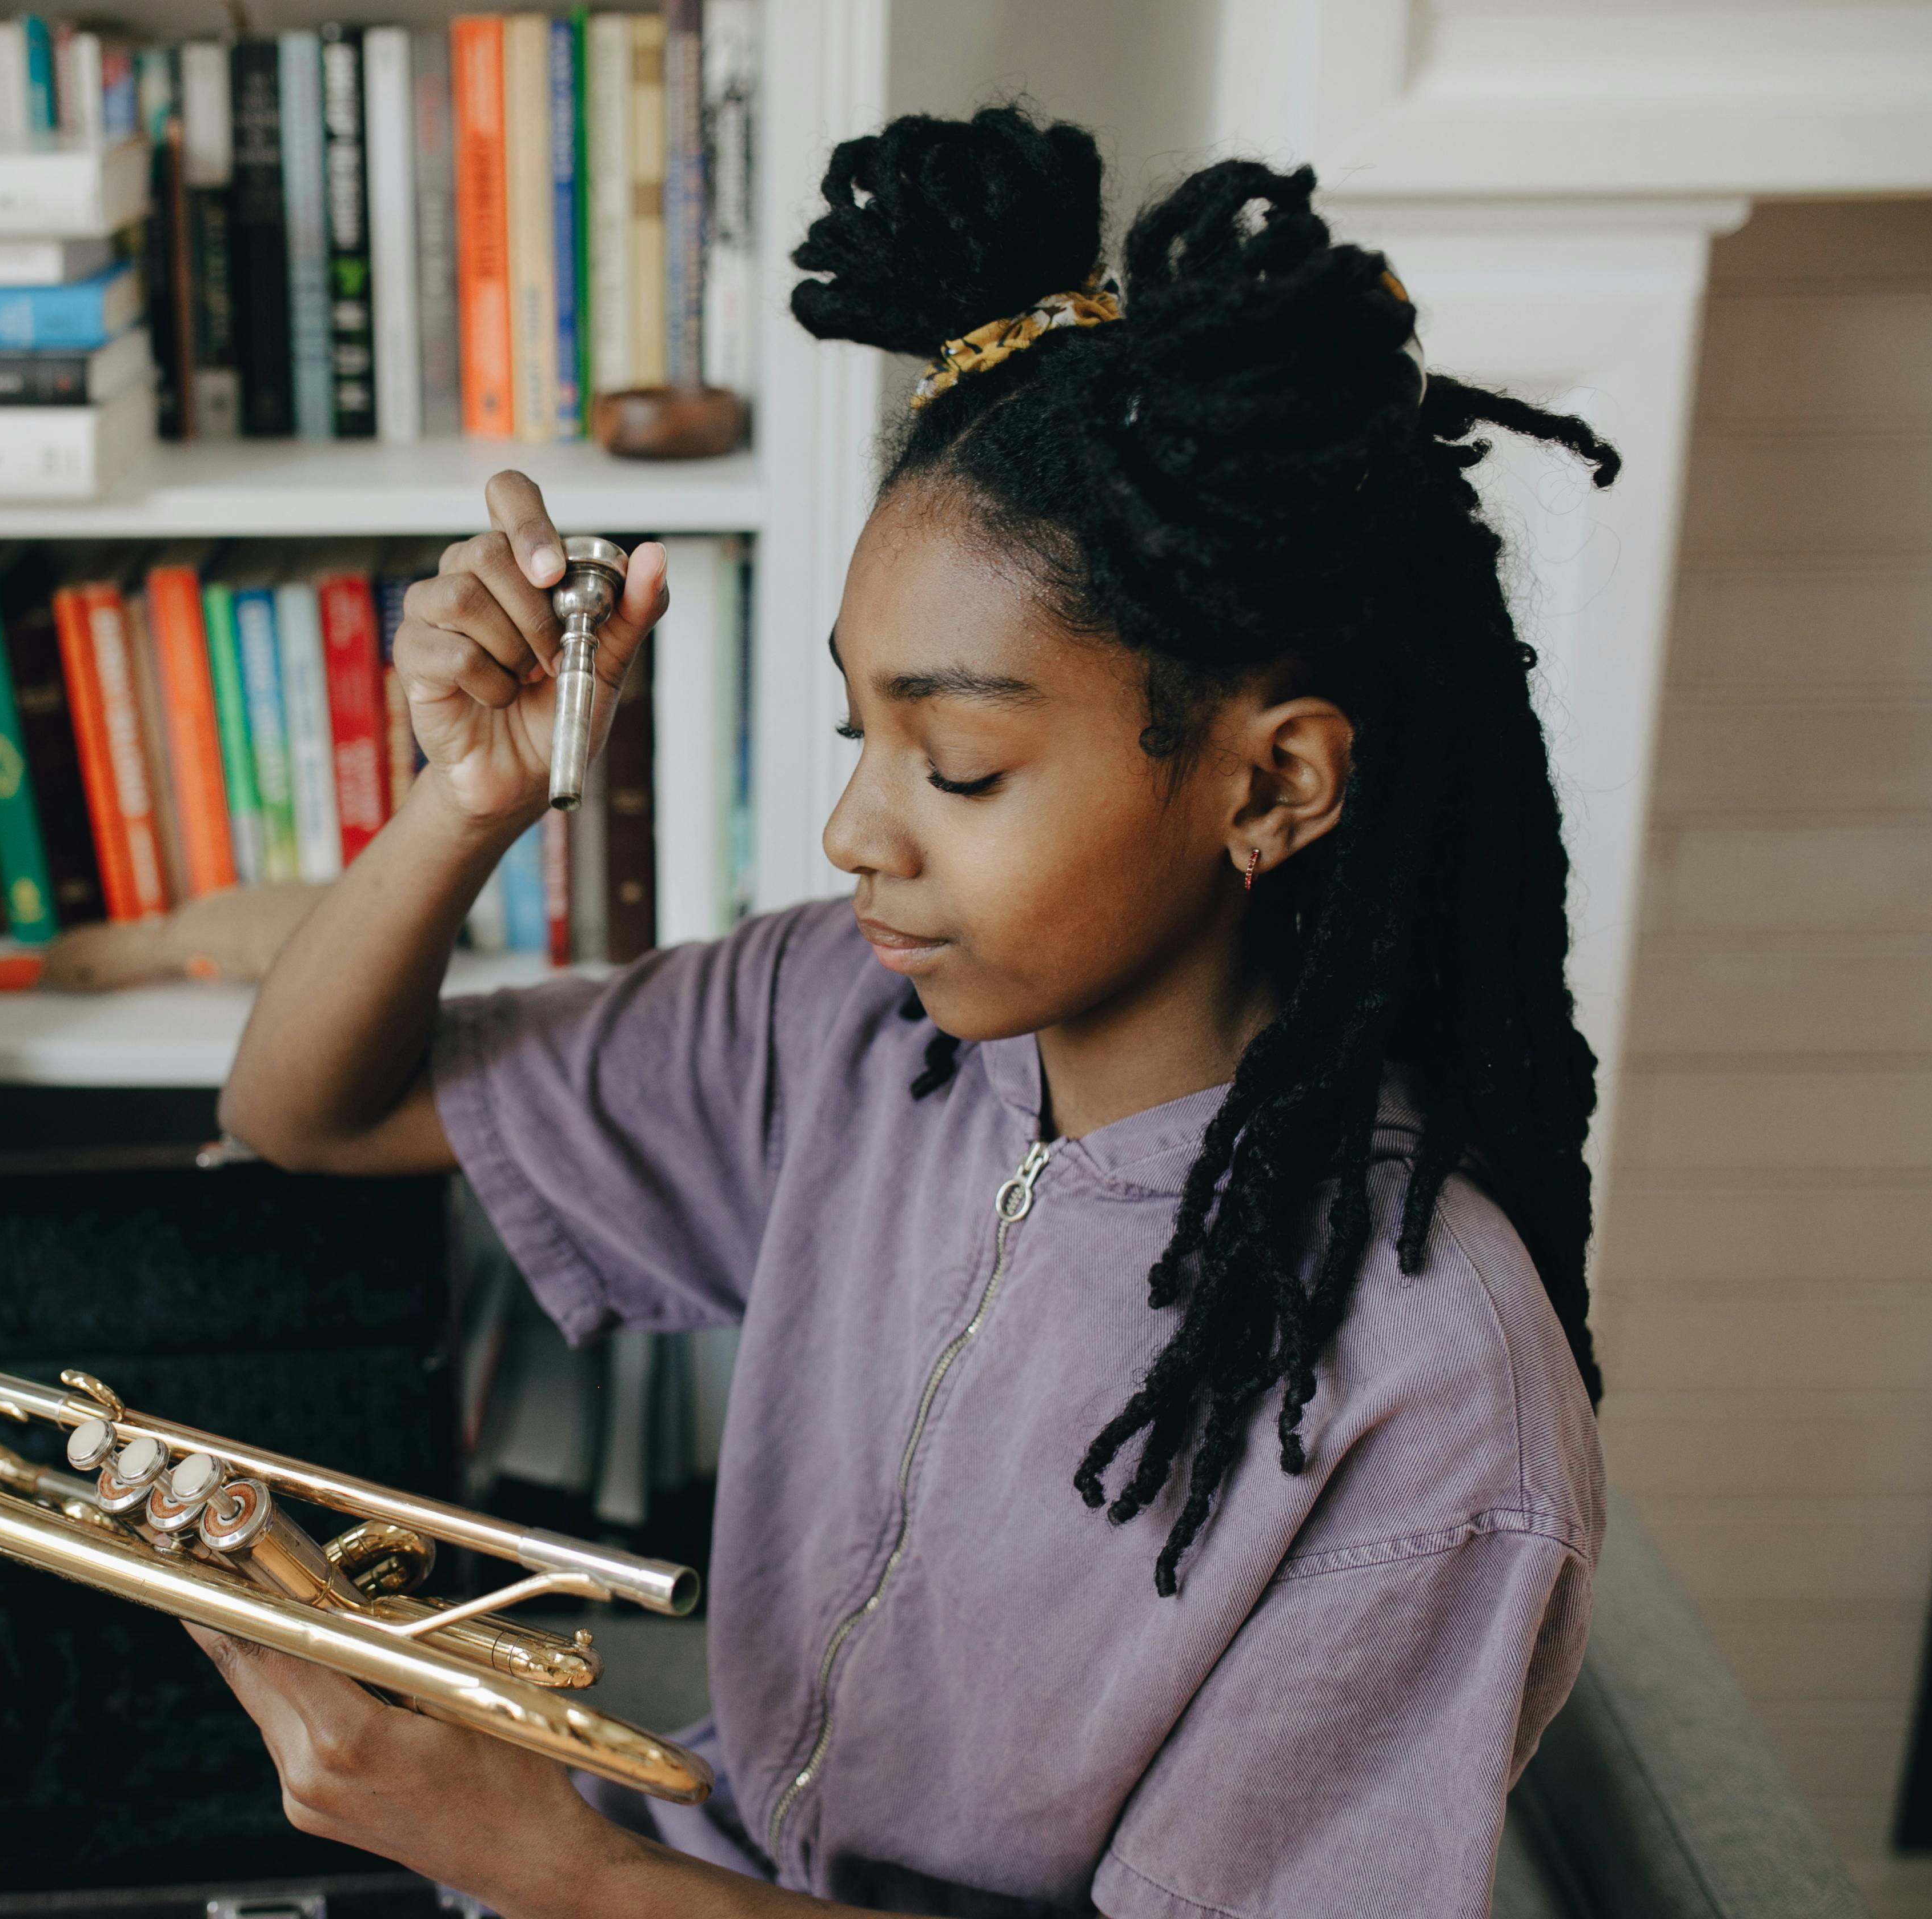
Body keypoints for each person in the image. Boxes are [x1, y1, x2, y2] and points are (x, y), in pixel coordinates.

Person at [202, 102, 1612, 1919]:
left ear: (1272, 788)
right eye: (865, 731)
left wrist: (551, 1868)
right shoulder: (844, 1019)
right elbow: (315, 1114)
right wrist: (466, 802)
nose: (853, 830)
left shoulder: (1433, 1393)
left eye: (956, 765)